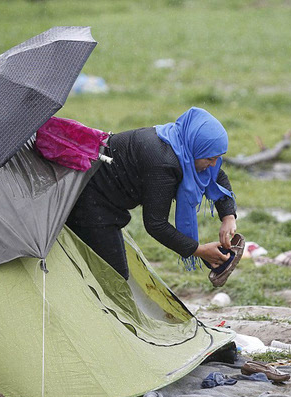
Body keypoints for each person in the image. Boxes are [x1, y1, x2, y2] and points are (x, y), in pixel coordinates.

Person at [66, 107, 238, 281]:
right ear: (196, 146)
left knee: (106, 274)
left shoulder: (178, 141)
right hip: (91, 202)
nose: (214, 164)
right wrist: (199, 250)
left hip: (104, 199)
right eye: (210, 158)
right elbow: (156, 224)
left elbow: (217, 176)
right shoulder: (163, 163)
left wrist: (228, 216)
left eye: (218, 157)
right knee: (113, 278)